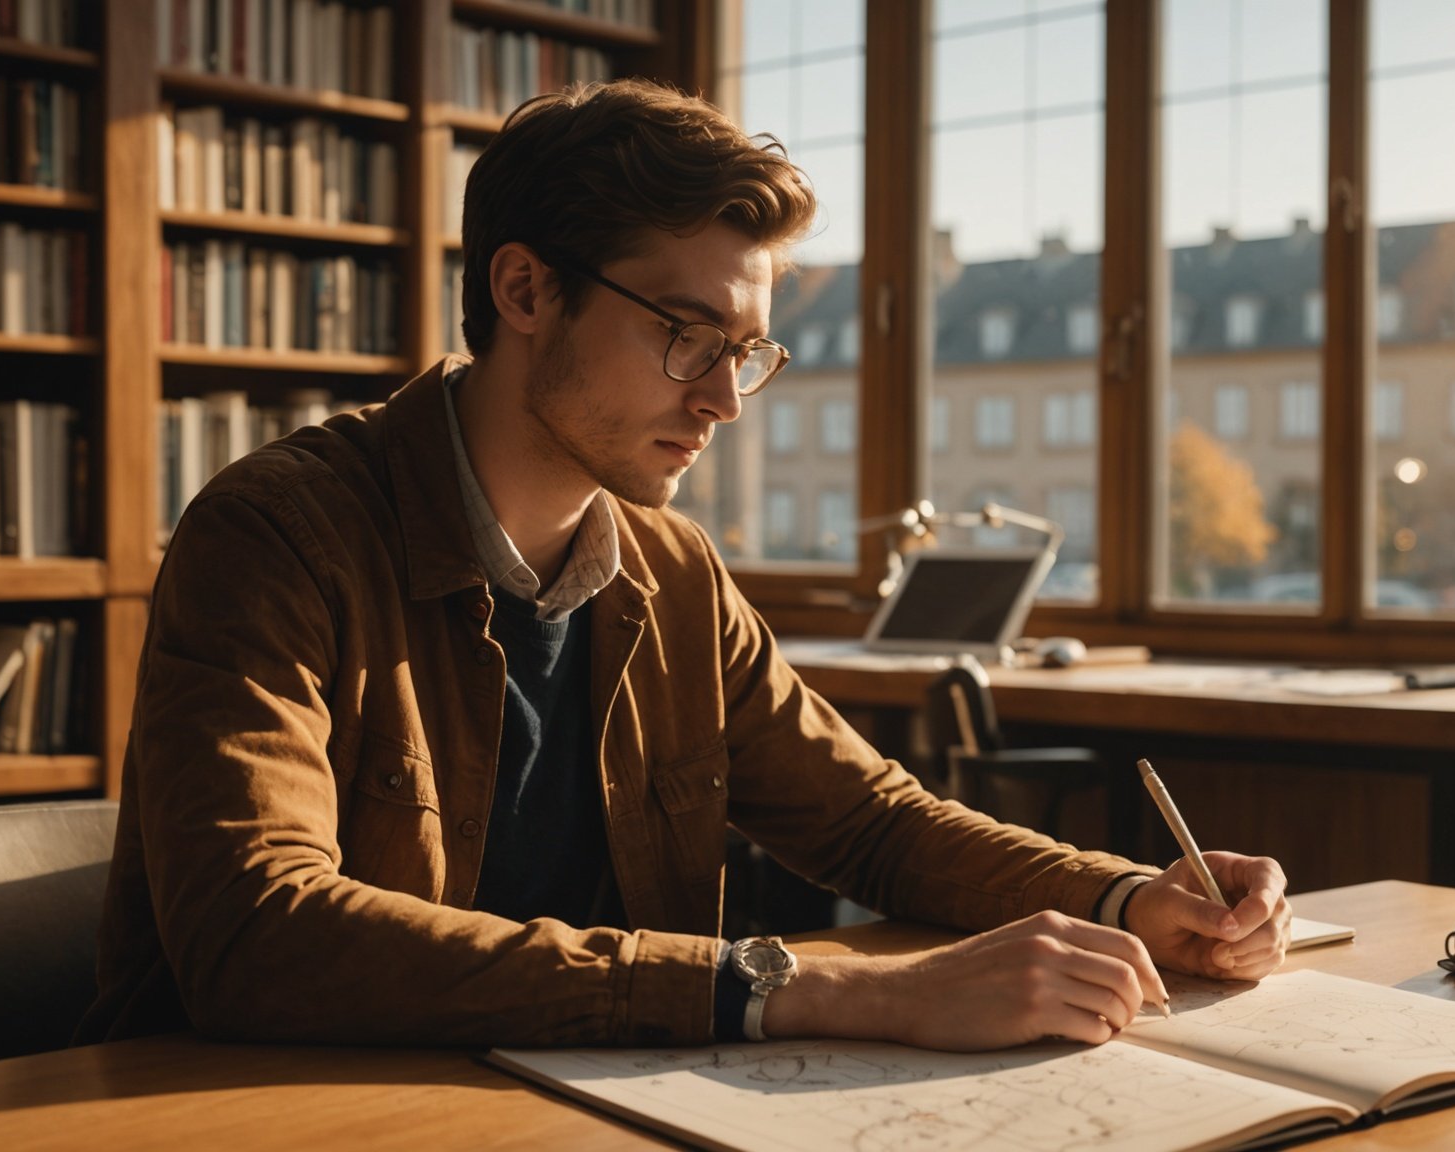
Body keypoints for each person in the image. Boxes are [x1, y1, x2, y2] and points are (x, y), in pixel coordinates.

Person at [80, 78, 1291, 1053]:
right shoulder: (276, 535)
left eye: (746, 352)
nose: (723, 399)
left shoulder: (673, 570)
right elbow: (259, 933)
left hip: (597, 1106)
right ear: (525, 289)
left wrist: (1131, 896)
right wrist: (806, 988)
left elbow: (871, 825)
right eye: (685, 335)